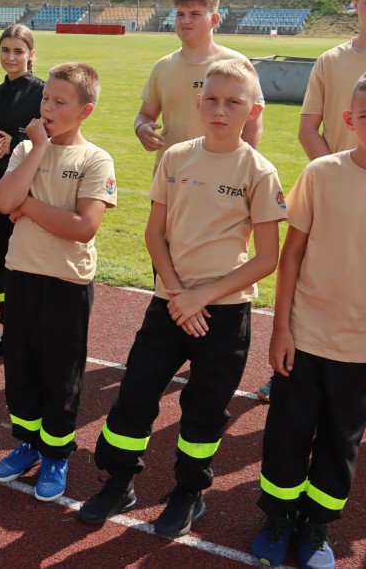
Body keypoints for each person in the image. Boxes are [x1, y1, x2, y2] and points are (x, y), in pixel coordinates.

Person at [80, 59, 285, 537]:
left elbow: (266, 258)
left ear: (252, 110)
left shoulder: (260, 171)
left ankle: (189, 493)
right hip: (168, 303)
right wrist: (175, 294)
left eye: (233, 102)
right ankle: (120, 481)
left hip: (224, 313)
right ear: (198, 103)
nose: (219, 109)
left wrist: (201, 299)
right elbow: (155, 234)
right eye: (211, 100)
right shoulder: (176, 157)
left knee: (205, 408)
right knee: (135, 395)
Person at [251, 66, 366, 569]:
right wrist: (281, 327)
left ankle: (315, 526)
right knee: (287, 431)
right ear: (350, 119)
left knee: (340, 442)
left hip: (362, 347)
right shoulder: (322, 172)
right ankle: (279, 516)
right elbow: (291, 256)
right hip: (304, 337)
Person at [256, 0, 366, 426]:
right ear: (354, 4)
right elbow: (307, 127)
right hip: (331, 190)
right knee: (309, 271)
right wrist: (332, 173)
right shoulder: (332, 61)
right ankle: (288, 364)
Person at [0, 62, 115, 502]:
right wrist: (37, 150)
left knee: (60, 374)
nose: (47, 107)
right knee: (20, 367)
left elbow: (84, 226)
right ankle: (28, 444)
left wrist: (29, 208)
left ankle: (58, 452)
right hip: (22, 274)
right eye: (46, 98)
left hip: (66, 283)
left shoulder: (95, 159)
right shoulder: (27, 150)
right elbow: (4, 201)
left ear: (85, 110)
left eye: (60, 102)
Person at [134, 0, 261, 169]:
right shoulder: (163, 66)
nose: (185, 21)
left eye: (195, 14)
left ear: (214, 19)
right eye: (180, 14)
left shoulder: (237, 64)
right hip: (170, 176)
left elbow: (253, 125)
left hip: (219, 175)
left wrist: (239, 167)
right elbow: (145, 115)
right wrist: (141, 128)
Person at [0, 25, 44, 348]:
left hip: (29, 192)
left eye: (18, 51)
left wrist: (14, 143)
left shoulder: (43, 94)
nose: (11, 57)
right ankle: (9, 322)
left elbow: (53, 140)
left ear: (31, 55)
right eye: (5, 50)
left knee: (25, 260)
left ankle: (28, 327)